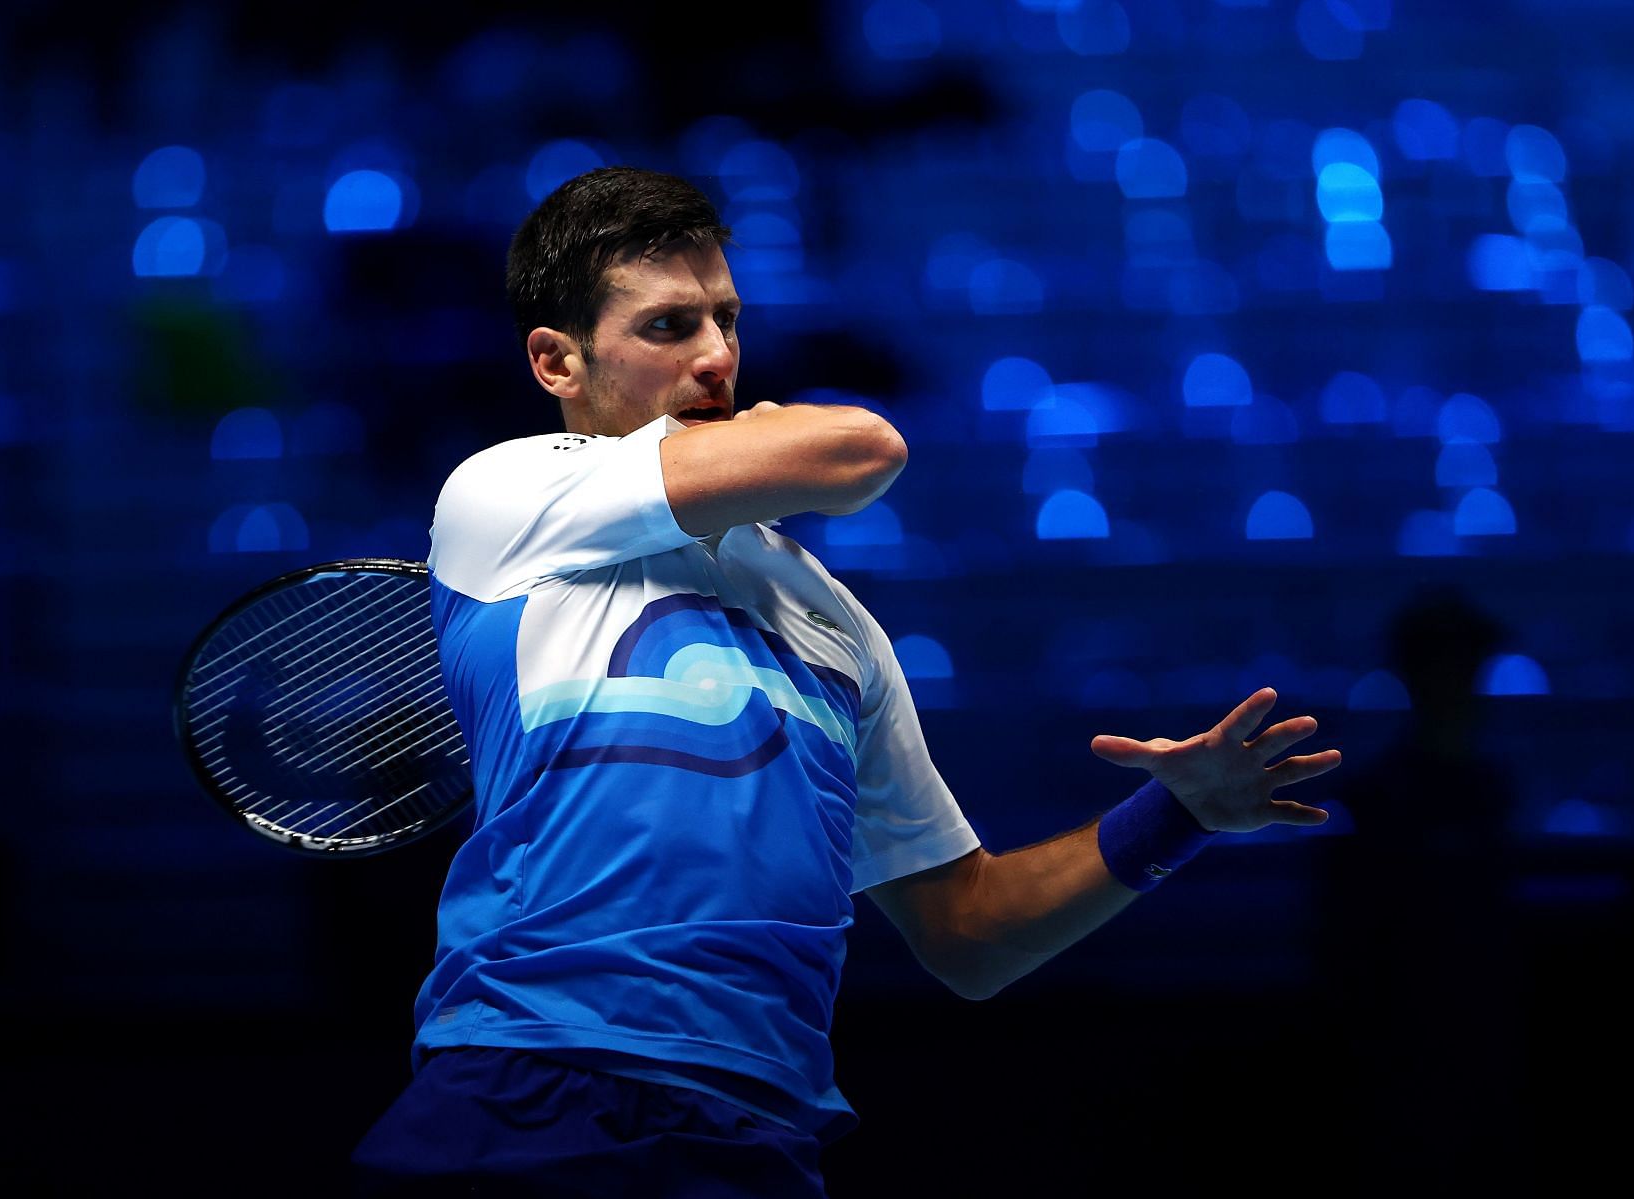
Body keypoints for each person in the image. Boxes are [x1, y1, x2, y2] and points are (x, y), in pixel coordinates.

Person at [350, 167, 1342, 1196]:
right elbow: (863, 445)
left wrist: (1175, 813)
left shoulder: (834, 626)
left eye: (727, 321)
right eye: (668, 327)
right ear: (557, 360)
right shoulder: (507, 496)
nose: (716, 357)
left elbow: (972, 930)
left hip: (754, 1130)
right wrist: (769, 433)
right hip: (525, 1086)